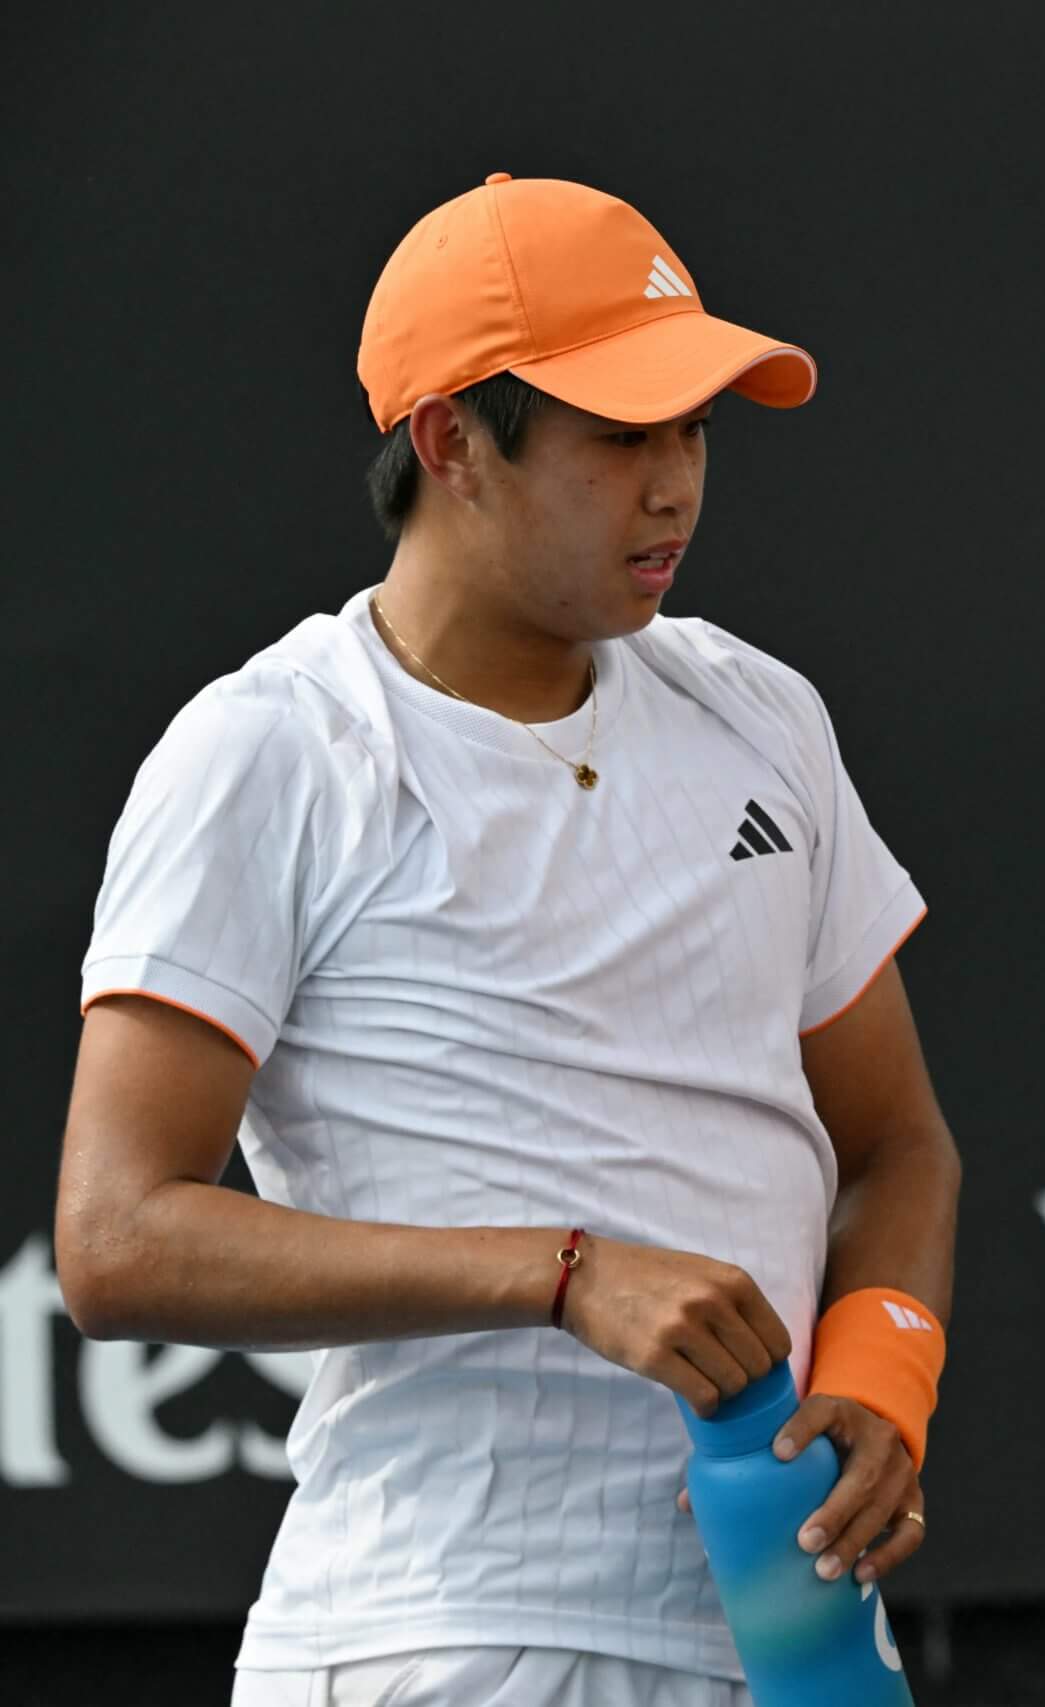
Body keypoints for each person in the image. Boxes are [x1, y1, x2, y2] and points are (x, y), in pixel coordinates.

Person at [54, 173, 962, 1707]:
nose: (675, 484)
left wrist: (882, 1381)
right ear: (451, 443)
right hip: (445, 1638)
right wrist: (562, 1274)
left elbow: (895, 1146)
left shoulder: (761, 711)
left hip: (797, 1637)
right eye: (621, 436)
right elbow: (119, 1236)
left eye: (695, 430)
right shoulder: (270, 750)